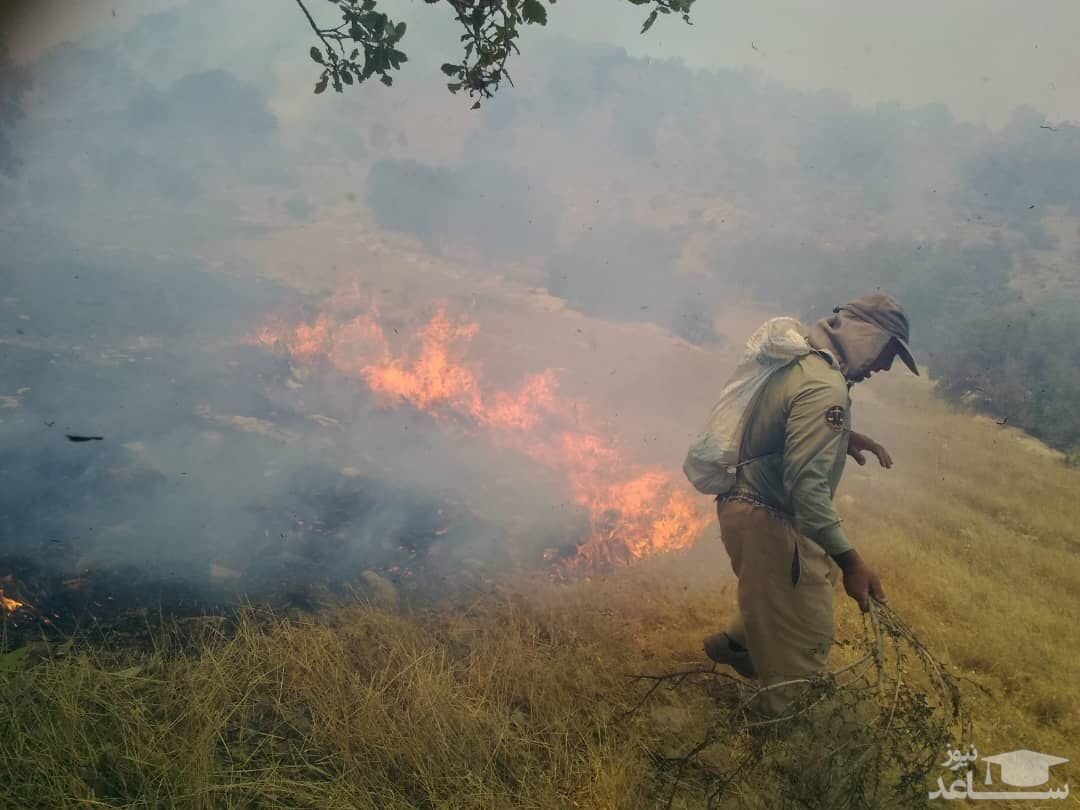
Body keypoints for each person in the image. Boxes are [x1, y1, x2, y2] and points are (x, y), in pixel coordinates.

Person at [702, 294, 919, 716]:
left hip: (746, 506)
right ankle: (784, 736)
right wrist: (852, 563)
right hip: (766, 517)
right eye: (887, 351)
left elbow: (780, 422)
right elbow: (807, 492)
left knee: (794, 589)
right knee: (807, 635)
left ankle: (736, 645)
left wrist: (842, 437)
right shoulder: (825, 385)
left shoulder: (804, 362)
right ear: (864, 335)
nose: (884, 366)